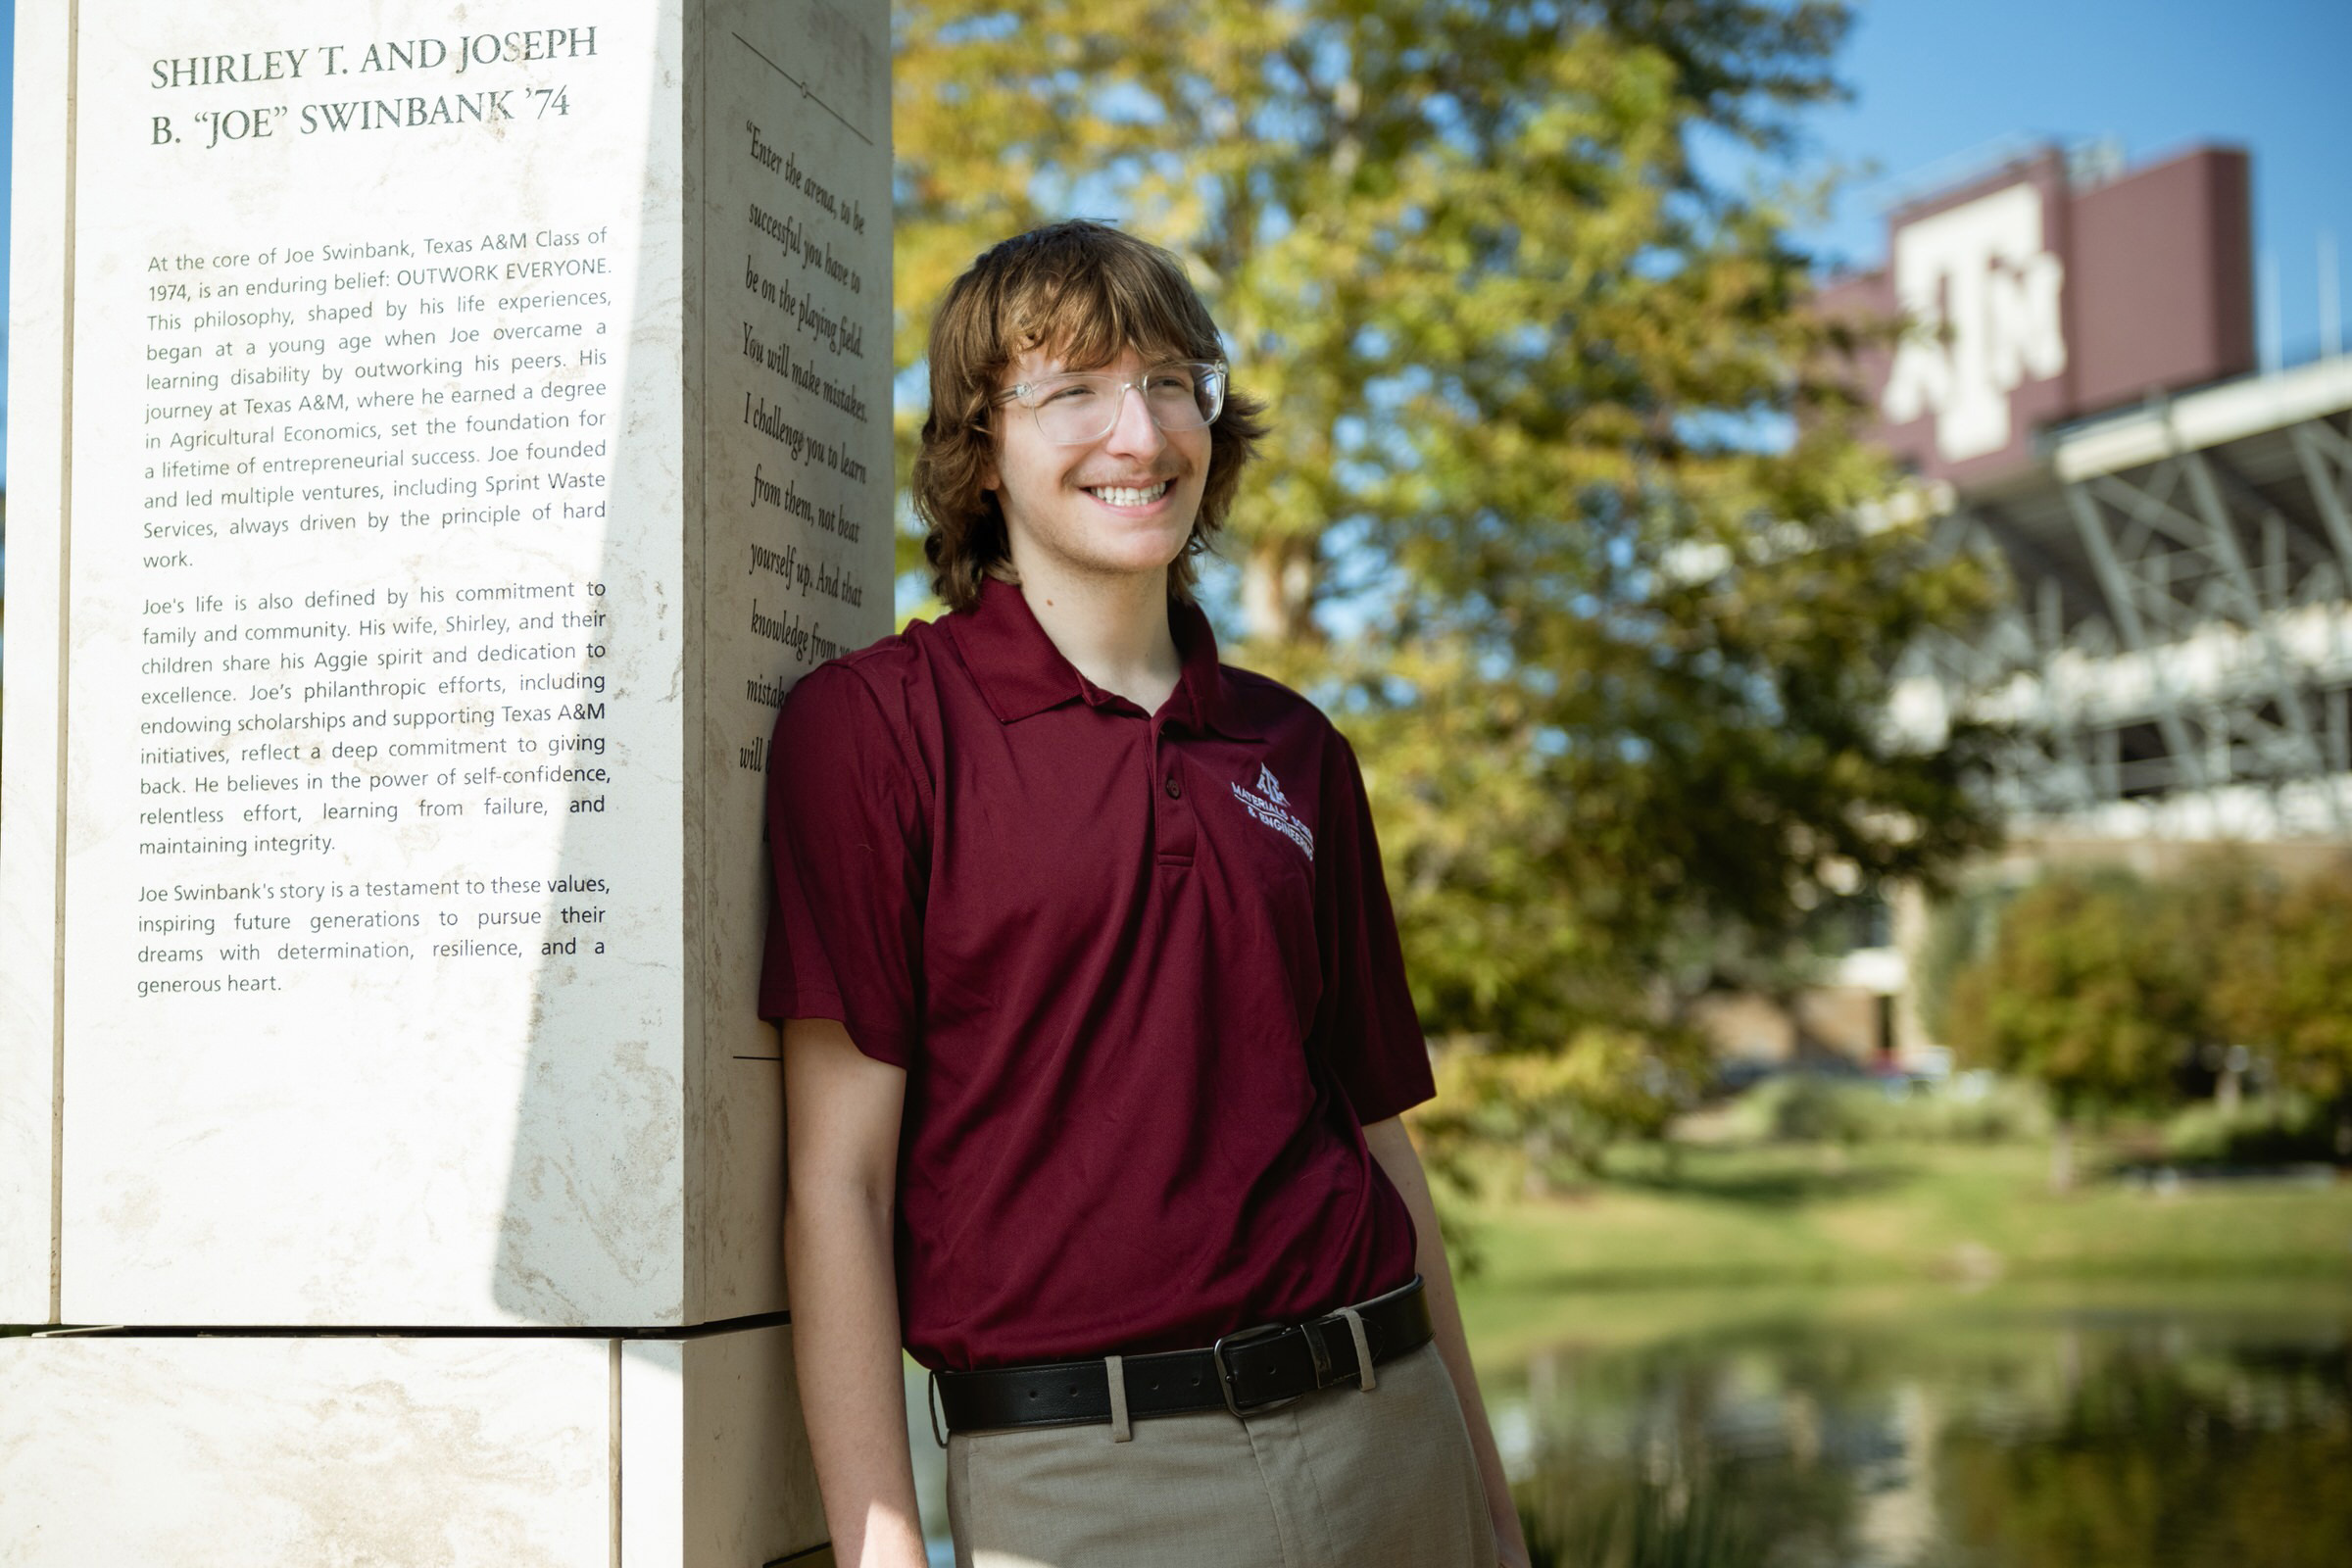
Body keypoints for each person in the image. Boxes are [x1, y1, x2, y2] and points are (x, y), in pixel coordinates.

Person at [762, 220, 1533, 1568]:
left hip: (1393, 1433)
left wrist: (1492, 1505)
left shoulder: (1295, 750)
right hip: (1087, 1489)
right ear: (977, 450)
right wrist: (880, 1554)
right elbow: (838, 1180)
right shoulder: (876, 730)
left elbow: (1381, 1145)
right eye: (1073, 393)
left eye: (1173, 380)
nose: (1141, 431)